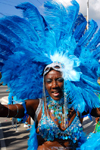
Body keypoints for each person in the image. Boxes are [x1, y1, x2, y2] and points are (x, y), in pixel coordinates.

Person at [0, 0, 100, 149]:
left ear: (67, 81)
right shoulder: (36, 105)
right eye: (49, 81)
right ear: (44, 83)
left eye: (59, 80)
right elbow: (9, 110)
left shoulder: (79, 105)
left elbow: (97, 111)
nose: (54, 85)